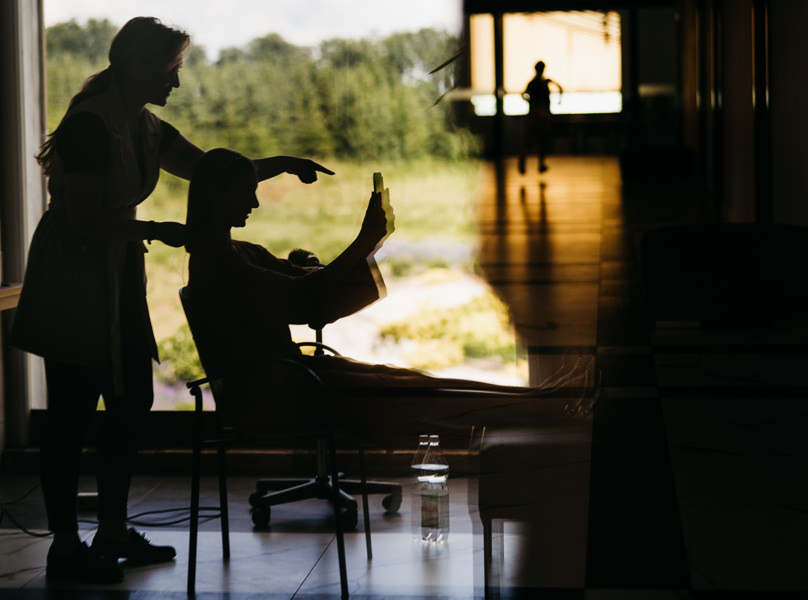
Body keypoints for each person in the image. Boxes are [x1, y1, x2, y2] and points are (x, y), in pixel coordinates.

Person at [9, 17, 332, 584]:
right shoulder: (91, 127)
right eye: (170, 69)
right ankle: (65, 545)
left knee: (131, 401)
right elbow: (83, 219)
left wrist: (280, 164)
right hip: (74, 279)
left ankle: (111, 530)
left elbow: (210, 172)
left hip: (115, 275)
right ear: (138, 65)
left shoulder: (144, 126)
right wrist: (156, 229)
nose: (176, 82)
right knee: (71, 415)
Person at [185, 149, 593, 439]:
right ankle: (549, 404)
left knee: (408, 382)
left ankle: (546, 399)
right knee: (409, 391)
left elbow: (308, 291)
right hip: (273, 395)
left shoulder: (236, 253)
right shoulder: (219, 264)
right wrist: (362, 243)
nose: (254, 202)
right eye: (245, 192)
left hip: (288, 379)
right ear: (216, 194)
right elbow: (304, 299)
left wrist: (365, 247)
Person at [518, 60, 563, 175]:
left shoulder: (534, 82)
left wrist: (529, 102)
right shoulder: (543, 82)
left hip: (534, 114)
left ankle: (525, 162)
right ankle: (539, 164)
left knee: (532, 141)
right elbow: (560, 88)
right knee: (541, 141)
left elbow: (523, 94)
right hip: (541, 115)